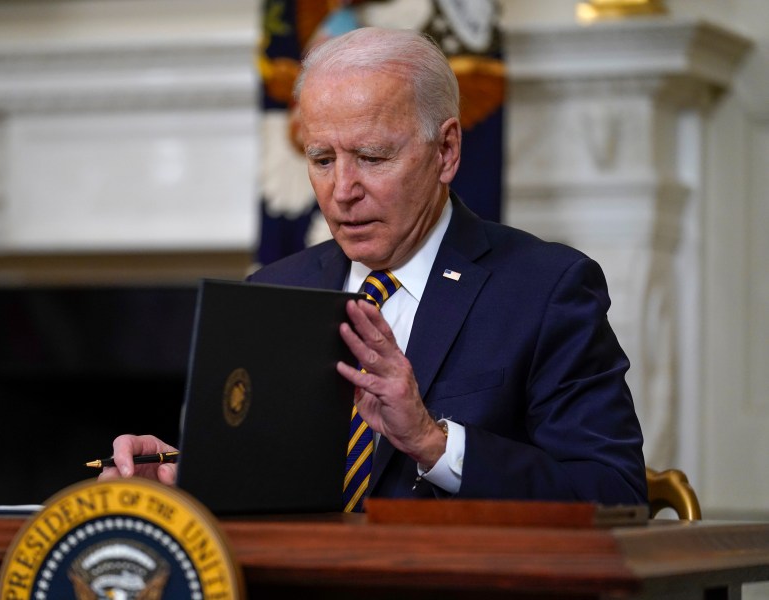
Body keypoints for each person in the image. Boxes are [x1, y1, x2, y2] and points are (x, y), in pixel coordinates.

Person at [100, 27, 647, 507]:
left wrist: (434, 443)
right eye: (321, 160)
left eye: (372, 158)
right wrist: (181, 477)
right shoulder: (273, 291)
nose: (342, 192)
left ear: (446, 151)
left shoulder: (544, 290)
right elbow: (260, 481)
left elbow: (612, 494)